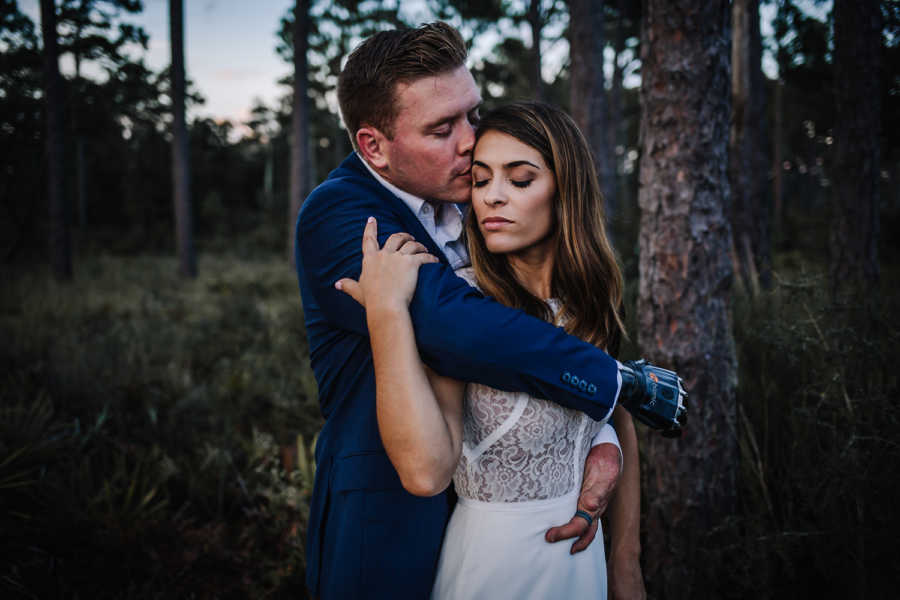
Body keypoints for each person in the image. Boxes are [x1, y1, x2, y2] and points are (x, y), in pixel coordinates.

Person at [294, 23, 645, 599]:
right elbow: (453, 325)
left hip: (527, 540)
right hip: (389, 526)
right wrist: (615, 383)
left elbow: (548, 338)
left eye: (472, 115)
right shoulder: (340, 214)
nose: (469, 141)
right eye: (441, 128)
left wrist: (600, 432)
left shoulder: (477, 210)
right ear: (374, 146)